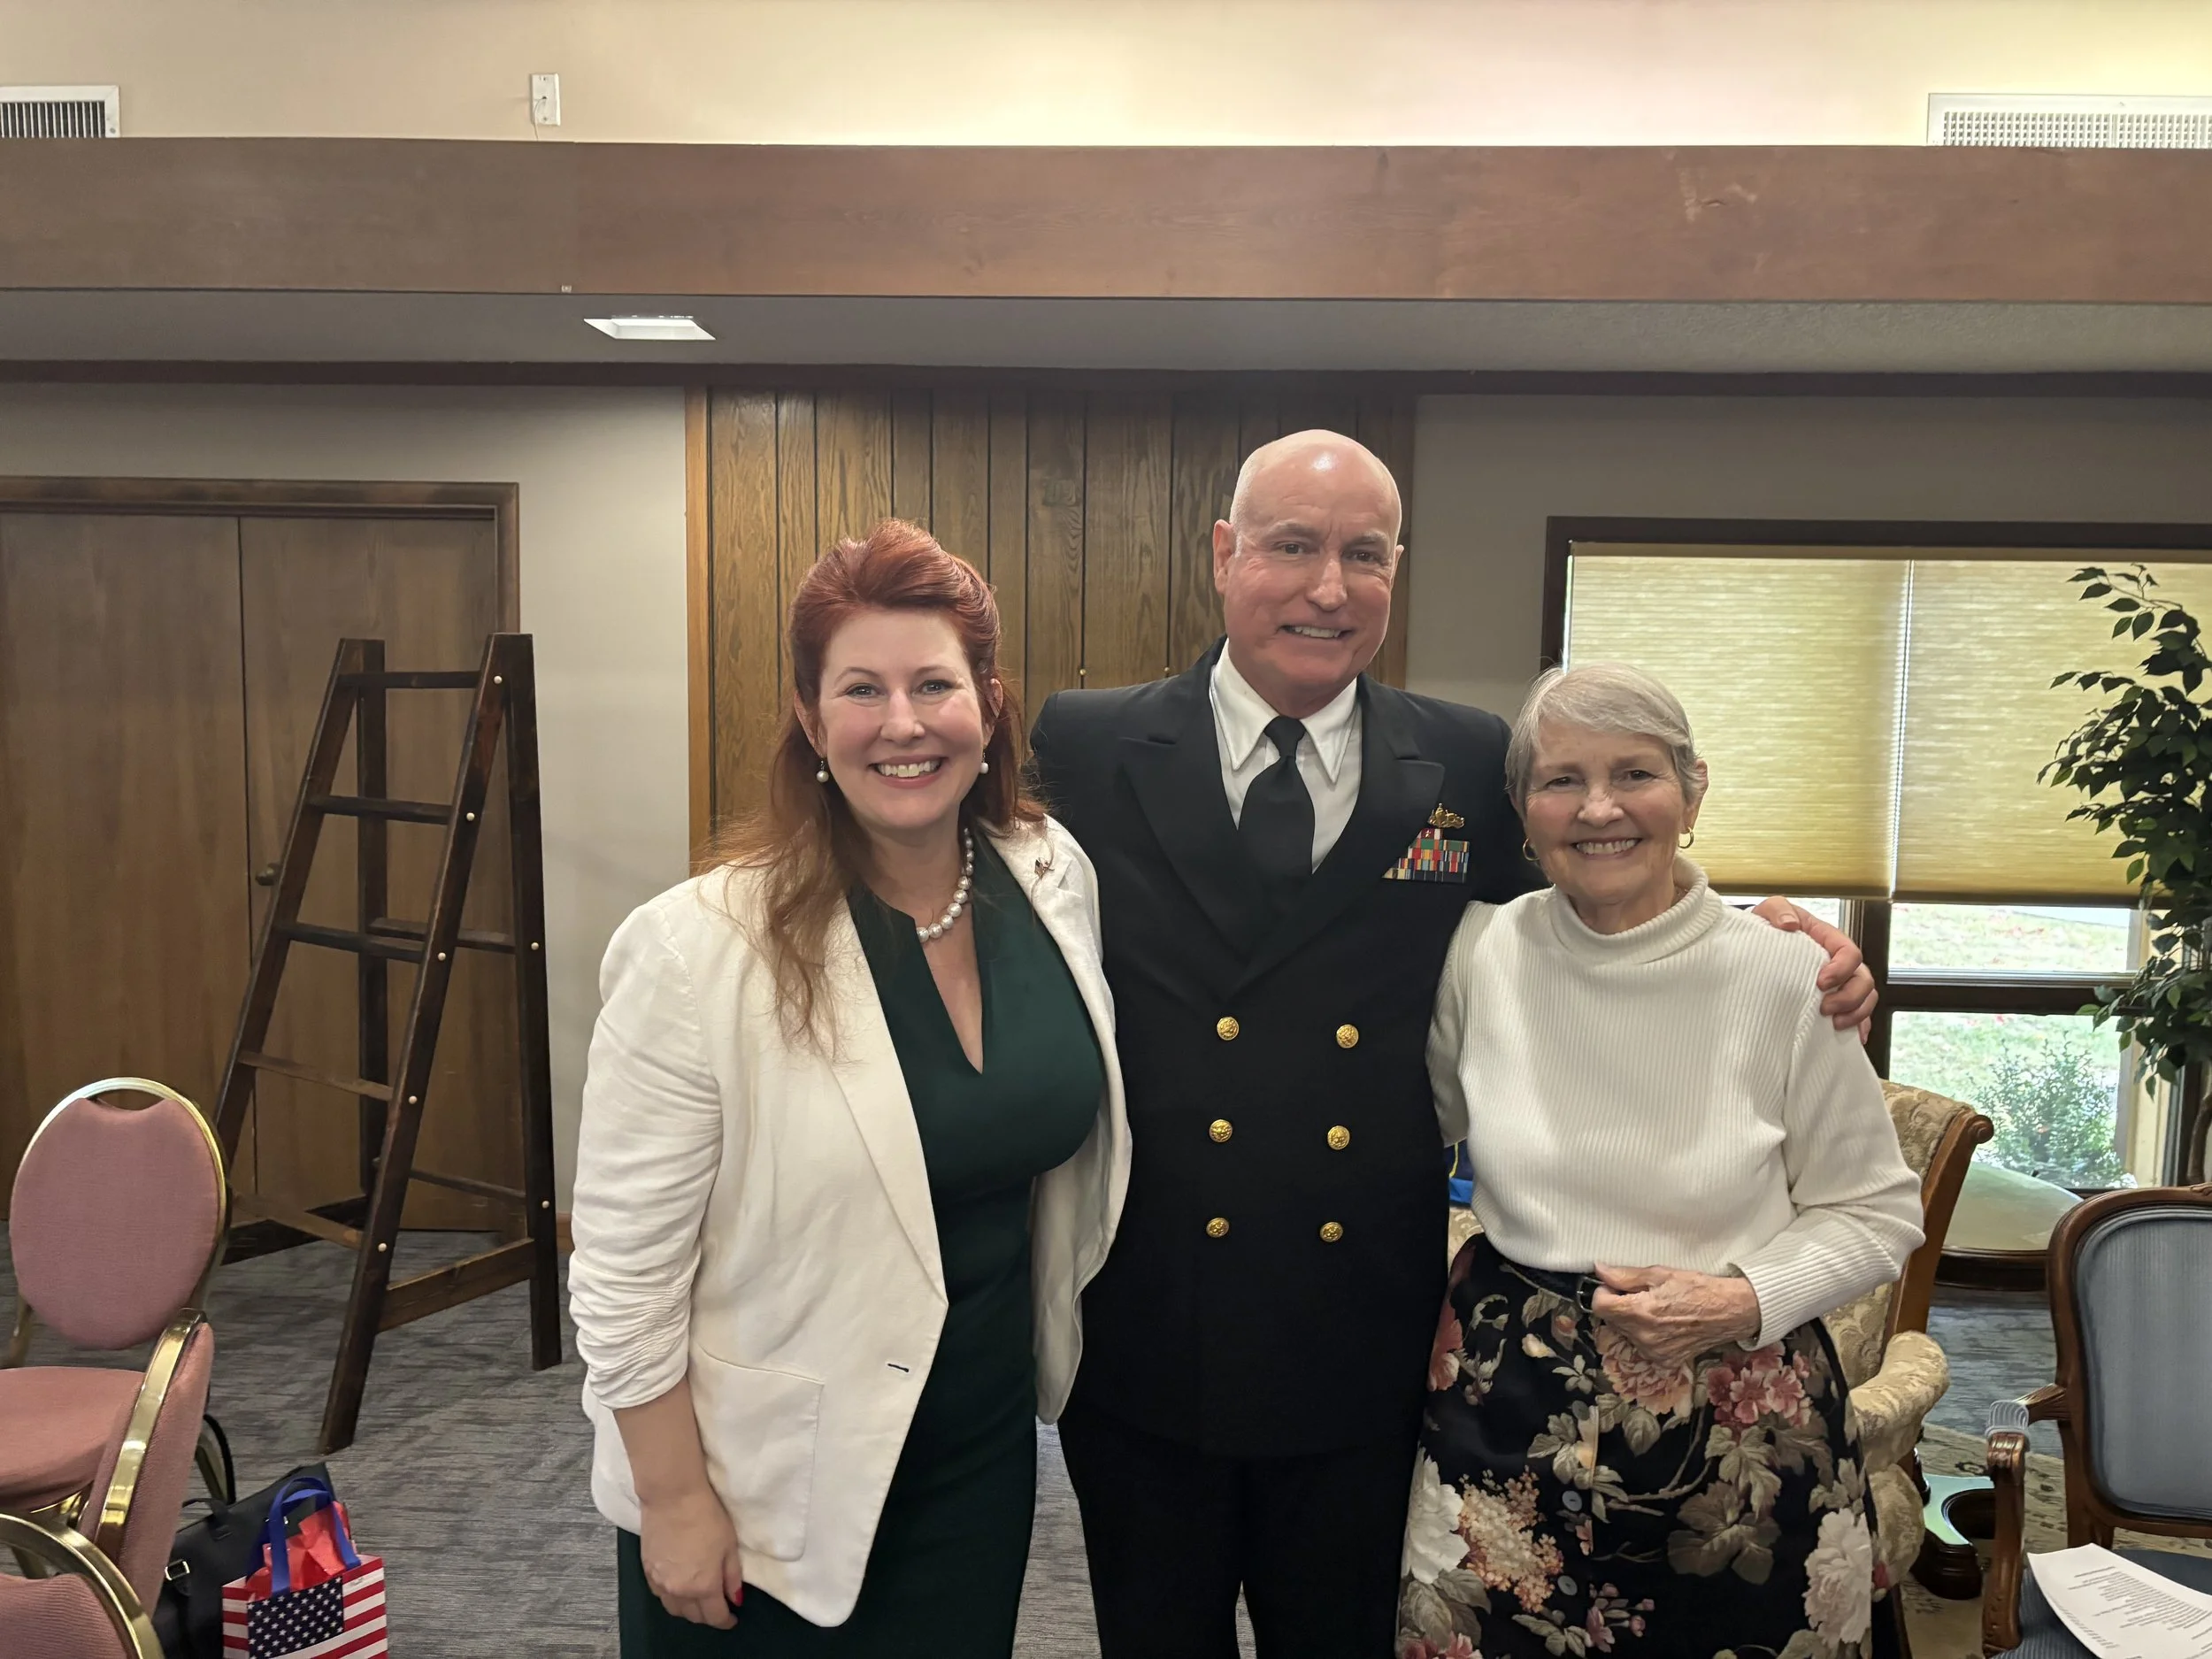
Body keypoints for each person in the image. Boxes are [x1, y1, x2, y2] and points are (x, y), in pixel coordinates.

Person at [1028, 430, 1878, 1658]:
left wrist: (1761, 932)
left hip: (1361, 1331)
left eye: (1364, 554)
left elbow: (1600, 893)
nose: (1328, 587)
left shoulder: (1470, 758)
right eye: (1292, 546)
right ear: (1223, 554)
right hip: (1154, 1315)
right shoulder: (1088, 742)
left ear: (1396, 570)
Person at [568, 521, 1129, 1656]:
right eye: (862, 690)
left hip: (977, 1446)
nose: (904, 723)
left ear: (989, 704)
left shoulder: (1049, 875)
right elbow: (623, 1277)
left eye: (935, 684)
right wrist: (672, 1501)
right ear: (812, 717)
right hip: (763, 1483)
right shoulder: (697, 948)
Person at [1400, 662, 1923, 1659]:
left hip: (1739, 1419)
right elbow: (1409, 1130)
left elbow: (1877, 1210)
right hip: (1506, 1411)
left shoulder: (1788, 974)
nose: (1599, 808)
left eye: (1634, 773)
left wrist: (1742, 1298)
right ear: (1523, 811)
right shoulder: (1478, 953)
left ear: (1692, 791)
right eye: (1561, 780)